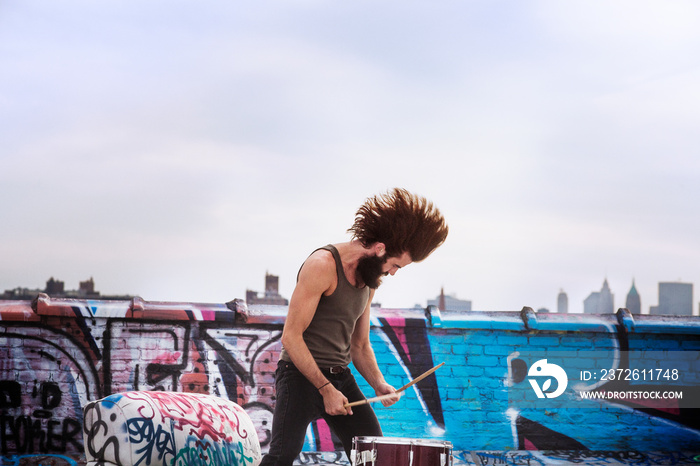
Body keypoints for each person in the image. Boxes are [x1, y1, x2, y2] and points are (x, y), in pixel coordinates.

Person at [260, 188, 448, 465]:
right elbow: (291, 337)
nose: (393, 272)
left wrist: (378, 383)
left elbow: (360, 344)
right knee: (282, 456)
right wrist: (325, 390)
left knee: (372, 456)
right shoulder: (322, 265)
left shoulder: (370, 278)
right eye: (395, 265)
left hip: (341, 377)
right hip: (298, 375)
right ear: (380, 248)